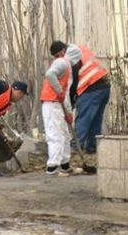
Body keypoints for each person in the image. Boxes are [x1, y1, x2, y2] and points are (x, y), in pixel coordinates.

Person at [63, 42, 111, 155]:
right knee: (95, 121)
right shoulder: (81, 48)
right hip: (104, 86)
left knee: (83, 119)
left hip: (91, 88)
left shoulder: (70, 55)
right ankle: (92, 149)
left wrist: (71, 100)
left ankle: (75, 149)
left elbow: (73, 81)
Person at [41, 41, 74, 176]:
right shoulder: (61, 62)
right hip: (52, 103)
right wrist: (58, 90)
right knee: (56, 134)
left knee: (65, 134)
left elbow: (65, 92)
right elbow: (50, 74)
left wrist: (69, 111)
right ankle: (52, 167)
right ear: (62, 51)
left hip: (57, 104)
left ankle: (65, 164)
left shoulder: (64, 64)